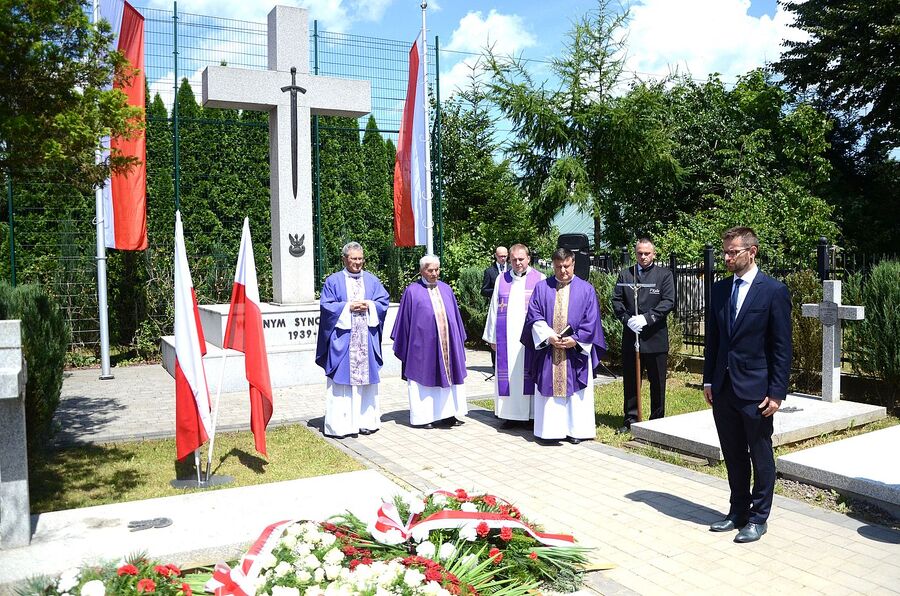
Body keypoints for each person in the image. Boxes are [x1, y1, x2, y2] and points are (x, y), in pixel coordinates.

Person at [704, 226, 792, 544]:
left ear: (751, 252)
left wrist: (777, 392)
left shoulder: (773, 291)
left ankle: (758, 517)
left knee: (759, 452)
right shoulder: (719, 290)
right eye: (725, 251)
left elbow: (782, 347)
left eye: (733, 252)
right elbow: (713, 339)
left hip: (756, 389)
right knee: (733, 452)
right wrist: (709, 379)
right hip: (724, 387)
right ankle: (737, 511)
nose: (726, 257)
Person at [521, 247, 606, 444]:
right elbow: (534, 316)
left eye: (566, 266)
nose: (563, 271)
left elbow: (591, 320)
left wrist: (576, 340)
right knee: (549, 388)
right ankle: (550, 432)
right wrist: (548, 336)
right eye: (559, 267)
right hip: (549, 350)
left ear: (573, 264)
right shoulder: (542, 288)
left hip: (575, 352)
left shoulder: (586, 289)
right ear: (553, 265)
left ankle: (577, 431)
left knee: (577, 394)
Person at [315, 242, 390, 439]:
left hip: (366, 338)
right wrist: (347, 307)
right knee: (341, 383)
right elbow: (326, 306)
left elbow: (383, 302)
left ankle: (367, 422)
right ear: (344, 259)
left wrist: (369, 305)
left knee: (367, 383)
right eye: (353, 259)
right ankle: (340, 426)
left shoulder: (372, 280)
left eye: (360, 258)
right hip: (344, 339)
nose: (358, 262)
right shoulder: (333, 281)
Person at [392, 254, 468, 429]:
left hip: (448, 344)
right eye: (430, 270)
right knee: (423, 378)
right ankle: (424, 417)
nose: (434, 273)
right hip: (422, 347)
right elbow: (404, 322)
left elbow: (455, 318)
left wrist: (457, 340)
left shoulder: (446, 289)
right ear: (421, 271)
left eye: (436, 269)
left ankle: (448, 414)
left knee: (449, 378)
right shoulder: (412, 291)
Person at [612, 238, 675, 432]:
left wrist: (648, 318)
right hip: (632, 336)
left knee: (657, 382)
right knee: (631, 380)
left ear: (654, 254)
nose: (643, 257)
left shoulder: (664, 275)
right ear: (635, 253)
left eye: (647, 253)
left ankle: (657, 420)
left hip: (655, 336)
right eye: (640, 253)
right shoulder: (626, 274)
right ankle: (631, 418)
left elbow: (668, 301)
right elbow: (617, 300)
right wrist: (627, 320)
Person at [482, 244, 545, 427]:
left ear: (528, 258)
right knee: (509, 375)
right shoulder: (502, 279)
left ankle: (532, 415)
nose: (518, 263)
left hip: (530, 339)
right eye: (514, 259)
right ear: (509, 259)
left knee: (529, 374)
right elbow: (494, 308)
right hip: (507, 339)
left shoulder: (539, 279)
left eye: (521, 259)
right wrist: (492, 337)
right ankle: (509, 415)